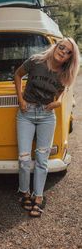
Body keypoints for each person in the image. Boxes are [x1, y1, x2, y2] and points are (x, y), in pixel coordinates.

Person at [14, 37, 80, 217]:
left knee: (42, 160)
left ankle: (38, 197)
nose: (63, 53)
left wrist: (57, 102)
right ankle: (24, 191)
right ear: (56, 46)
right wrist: (20, 99)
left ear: (69, 58)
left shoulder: (65, 73)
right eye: (62, 48)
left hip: (46, 116)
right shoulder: (36, 61)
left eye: (68, 53)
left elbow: (61, 91)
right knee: (24, 158)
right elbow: (18, 74)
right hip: (26, 113)